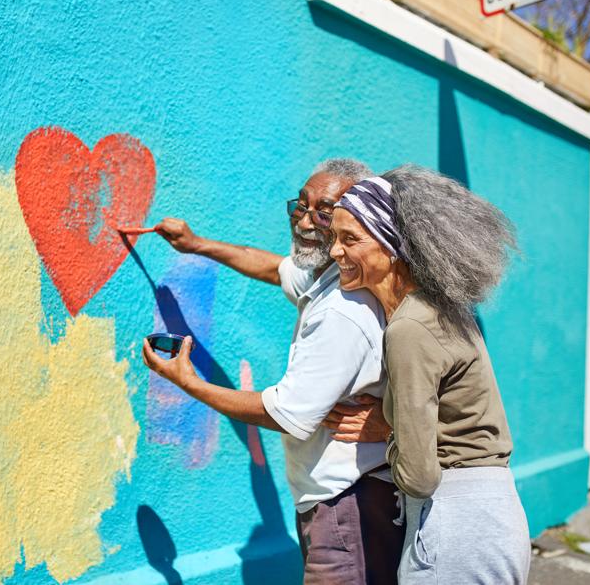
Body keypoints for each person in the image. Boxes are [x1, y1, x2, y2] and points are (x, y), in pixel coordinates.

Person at [141, 159, 404, 585]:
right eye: (300, 205)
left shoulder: (344, 310)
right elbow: (274, 267)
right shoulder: (332, 273)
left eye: (324, 211)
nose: (305, 220)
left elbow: (287, 413)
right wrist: (197, 244)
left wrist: (188, 383)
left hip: (348, 502)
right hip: (337, 499)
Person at [325, 166, 530, 584]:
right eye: (334, 238)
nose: (334, 252)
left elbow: (419, 477)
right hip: (490, 512)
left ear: (392, 245)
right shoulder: (441, 309)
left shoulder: (409, 330)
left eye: (350, 239)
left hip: (455, 521)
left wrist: (388, 430)